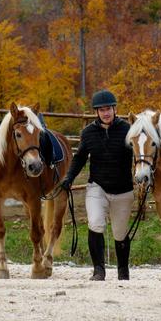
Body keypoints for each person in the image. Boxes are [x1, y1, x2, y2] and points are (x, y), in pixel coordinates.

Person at [60, 89, 133, 281]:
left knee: (119, 233)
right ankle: (98, 271)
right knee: (95, 223)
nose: (106, 113)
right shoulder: (88, 133)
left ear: (114, 109)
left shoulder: (127, 130)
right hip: (97, 187)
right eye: (101, 110)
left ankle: (123, 272)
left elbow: (142, 154)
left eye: (108, 108)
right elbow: (80, 158)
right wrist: (69, 178)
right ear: (96, 112)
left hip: (124, 189)